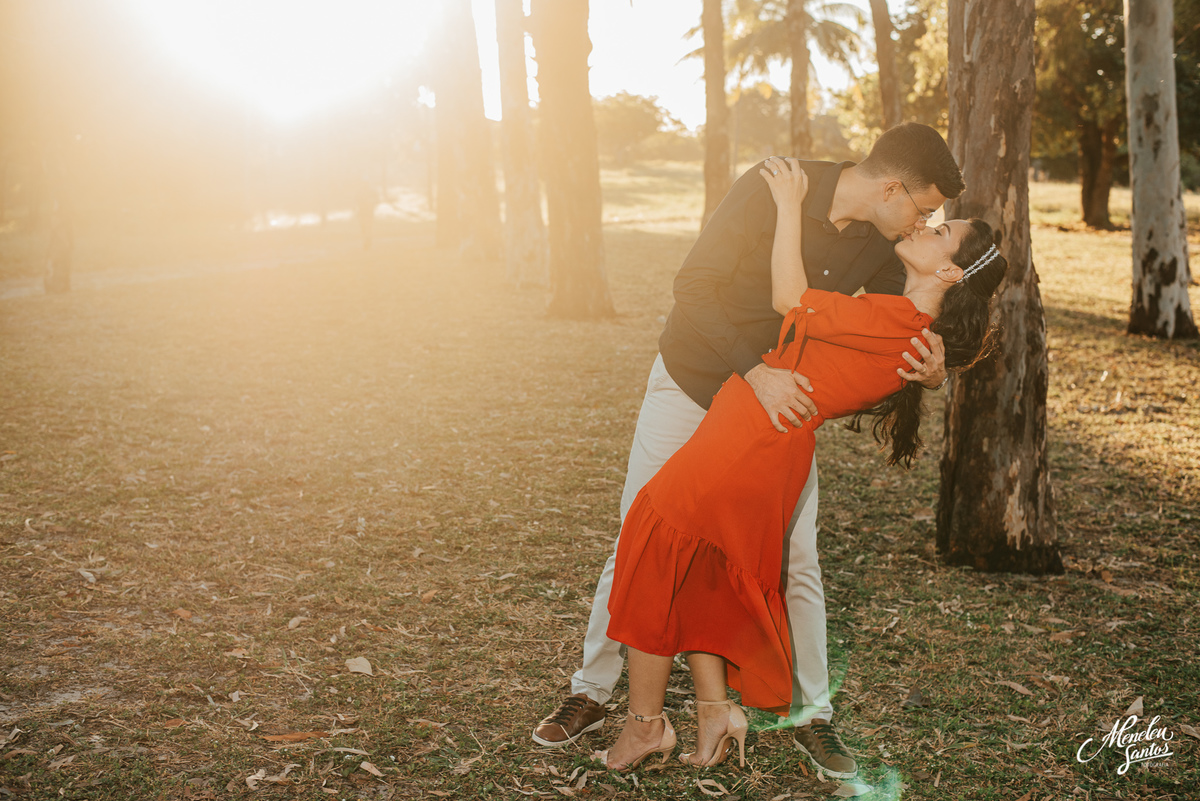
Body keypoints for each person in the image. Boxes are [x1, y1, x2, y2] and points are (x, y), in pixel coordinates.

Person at [533, 123, 964, 778]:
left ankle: (811, 713)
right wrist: (751, 369)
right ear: (891, 188)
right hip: (694, 381)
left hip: (770, 418)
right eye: (923, 209)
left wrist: (926, 369)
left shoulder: (881, 250)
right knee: (641, 533)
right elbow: (693, 285)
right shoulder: (774, 184)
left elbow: (881, 342)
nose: (920, 223)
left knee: (795, 557)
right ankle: (591, 690)